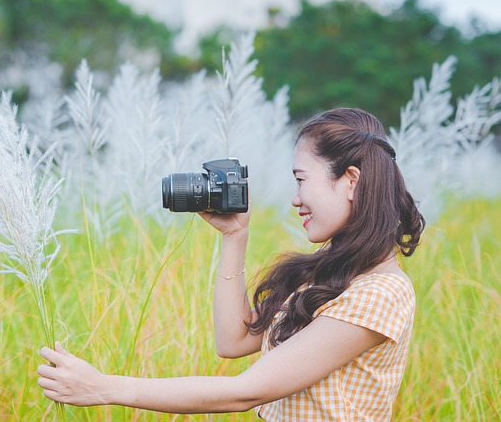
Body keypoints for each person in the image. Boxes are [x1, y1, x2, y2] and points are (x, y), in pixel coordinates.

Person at [37, 108, 425, 421]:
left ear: (351, 181)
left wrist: (105, 388)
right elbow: (233, 341)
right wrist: (234, 236)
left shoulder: (381, 293)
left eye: (301, 180)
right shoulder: (332, 276)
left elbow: (247, 391)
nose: (295, 199)